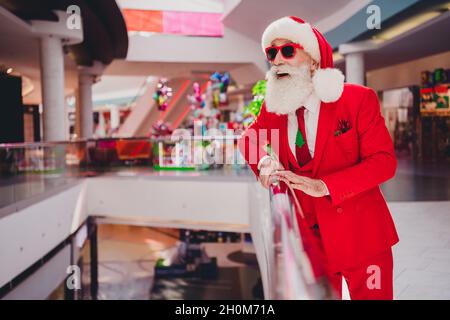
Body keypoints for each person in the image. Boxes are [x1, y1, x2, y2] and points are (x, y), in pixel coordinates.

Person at [239, 16, 399, 300]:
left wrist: (323, 185)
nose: (278, 60)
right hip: (312, 245)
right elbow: (248, 138)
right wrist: (263, 160)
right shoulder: (274, 108)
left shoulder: (356, 99)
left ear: (313, 60)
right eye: (271, 53)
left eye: (288, 50)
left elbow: (384, 161)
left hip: (362, 238)